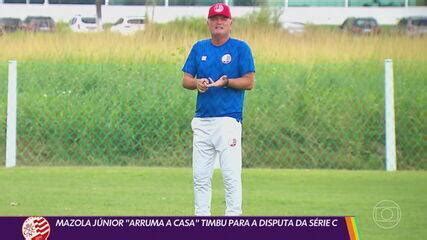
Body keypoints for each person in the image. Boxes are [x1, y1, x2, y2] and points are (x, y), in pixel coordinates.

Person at [181, 3, 255, 216]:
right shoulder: (199, 48)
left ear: (230, 23)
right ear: (208, 23)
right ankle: (202, 220)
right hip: (202, 120)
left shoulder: (241, 48)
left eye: (223, 19)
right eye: (214, 19)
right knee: (200, 177)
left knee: (230, 175)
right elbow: (185, 79)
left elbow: (249, 82)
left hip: (228, 120)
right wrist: (197, 83)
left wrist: (227, 81)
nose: (218, 22)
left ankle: (232, 220)